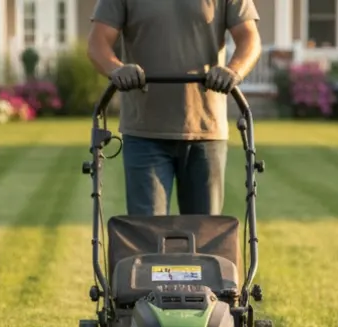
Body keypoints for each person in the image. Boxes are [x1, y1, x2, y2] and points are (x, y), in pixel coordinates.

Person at [87, 0, 262, 217]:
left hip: (206, 131)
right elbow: (98, 42)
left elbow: (249, 38)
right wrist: (116, 69)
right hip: (145, 132)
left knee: (205, 235)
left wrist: (233, 71)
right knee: (149, 236)